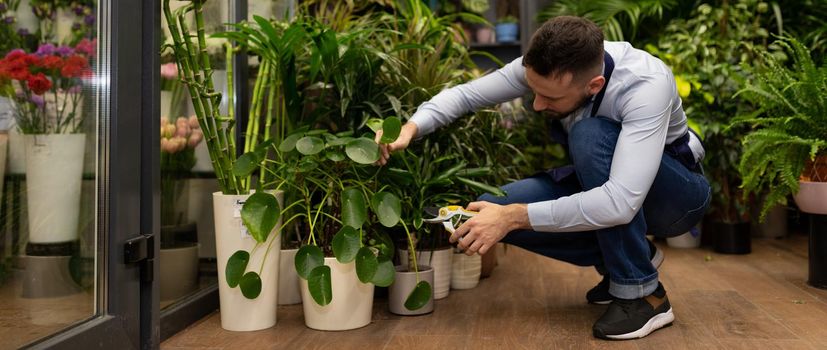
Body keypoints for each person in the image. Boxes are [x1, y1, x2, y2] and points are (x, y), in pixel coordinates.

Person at [374, 16, 710, 340]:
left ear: (595, 86)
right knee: (489, 209)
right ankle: (631, 257)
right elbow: (466, 96)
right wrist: (410, 127)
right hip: (613, 193)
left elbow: (620, 204)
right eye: (534, 91)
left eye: (550, 98)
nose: (536, 105)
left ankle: (644, 294)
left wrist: (516, 217)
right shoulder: (546, 67)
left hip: (676, 198)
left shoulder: (644, 83)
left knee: (588, 136)